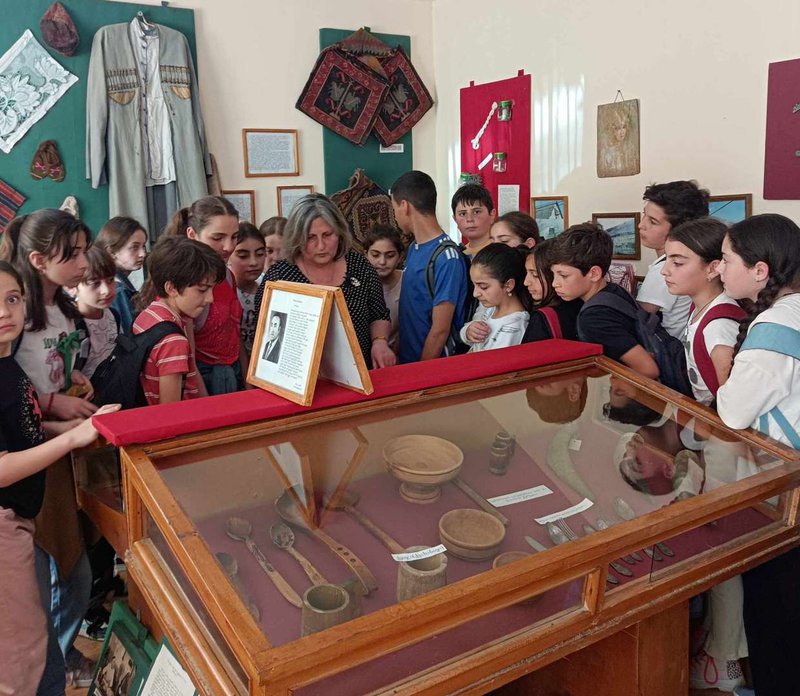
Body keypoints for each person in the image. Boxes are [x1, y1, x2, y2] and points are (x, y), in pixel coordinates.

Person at [0, 260, 119, 695]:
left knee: (34, 637)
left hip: (20, 516)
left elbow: (20, 429)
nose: (5, 312)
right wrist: (71, 440)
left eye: (13, 299)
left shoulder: (7, 362)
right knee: (20, 656)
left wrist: (62, 428)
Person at [715, 214, 800, 696]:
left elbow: (732, 410)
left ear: (761, 270)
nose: (720, 269)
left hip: (781, 488)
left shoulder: (772, 327)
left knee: (774, 608)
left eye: (727, 260)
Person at [254, 194, 395, 370]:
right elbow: (265, 335)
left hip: (359, 371)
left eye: (328, 235)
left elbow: (379, 314)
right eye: (311, 237)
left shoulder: (359, 265)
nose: (321, 246)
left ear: (340, 232)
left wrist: (380, 342)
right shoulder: (280, 277)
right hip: (301, 377)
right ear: (297, 238)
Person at [549, 222, 659, 379]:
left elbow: (648, 369)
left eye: (563, 275)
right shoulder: (614, 290)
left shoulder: (594, 318)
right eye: (553, 274)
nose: (555, 283)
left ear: (594, 274)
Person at [133, 236, 226, 406]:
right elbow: (170, 409)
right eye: (202, 290)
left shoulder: (149, 314)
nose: (210, 299)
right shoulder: (173, 341)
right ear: (171, 288)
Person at [165, 196, 243, 395]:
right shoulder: (186, 286)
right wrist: (204, 399)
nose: (229, 246)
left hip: (234, 369)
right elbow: (188, 357)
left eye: (235, 237)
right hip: (206, 376)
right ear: (192, 234)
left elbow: (234, 332)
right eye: (217, 238)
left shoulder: (227, 275)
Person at [663, 217, 745, 405]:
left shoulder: (718, 327)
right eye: (666, 260)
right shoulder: (698, 307)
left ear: (713, 268)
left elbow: (731, 401)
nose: (664, 271)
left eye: (677, 263)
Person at [391, 171, 468, 363]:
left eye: (394, 208)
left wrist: (421, 372)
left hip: (431, 366)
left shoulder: (447, 257)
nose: (395, 216)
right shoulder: (413, 248)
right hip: (406, 361)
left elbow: (440, 330)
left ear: (404, 206)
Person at [637, 180, 709, 337]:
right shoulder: (691, 261)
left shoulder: (663, 270)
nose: (641, 225)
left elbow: (638, 320)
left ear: (678, 229)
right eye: (644, 215)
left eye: (652, 221)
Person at [459, 243, 529, 352]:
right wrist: (468, 332)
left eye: (483, 287)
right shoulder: (491, 308)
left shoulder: (514, 326)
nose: (475, 293)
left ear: (508, 285)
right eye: (474, 285)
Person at [71, 246, 120, 380]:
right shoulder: (69, 325)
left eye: (110, 280)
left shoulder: (113, 315)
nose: (106, 290)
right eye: (95, 283)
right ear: (73, 286)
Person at [95, 216, 148, 334]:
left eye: (143, 246)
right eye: (134, 247)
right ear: (111, 251)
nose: (143, 254)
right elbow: (132, 337)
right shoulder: (118, 290)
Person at [521, 239, 582, 342]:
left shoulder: (542, 319)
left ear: (553, 274)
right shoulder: (582, 303)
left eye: (535, 275)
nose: (526, 282)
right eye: (526, 273)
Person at [363, 224, 404, 353]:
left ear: (400, 257)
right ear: (366, 254)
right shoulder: (357, 285)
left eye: (390, 256)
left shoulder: (408, 282)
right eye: (375, 255)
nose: (382, 262)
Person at [229, 222, 266, 362]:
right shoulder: (225, 289)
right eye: (243, 256)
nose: (253, 262)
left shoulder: (268, 284)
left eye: (260, 254)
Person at [451, 183, 496, 258]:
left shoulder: (501, 251)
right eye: (463, 214)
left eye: (476, 212)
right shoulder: (458, 256)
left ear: (492, 215)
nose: (469, 219)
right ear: (455, 219)